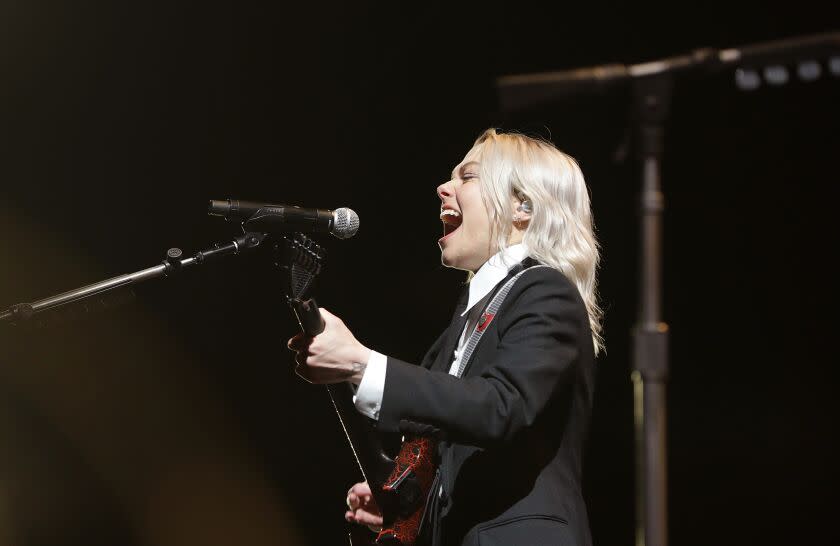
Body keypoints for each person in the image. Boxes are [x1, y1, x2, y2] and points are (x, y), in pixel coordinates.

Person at [288, 129, 603, 546]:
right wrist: (407, 504)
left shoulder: (545, 290)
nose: (443, 187)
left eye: (468, 177)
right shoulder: (461, 327)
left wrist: (361, 363)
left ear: (522, 206)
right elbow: (454, 439)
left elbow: (501, 406)